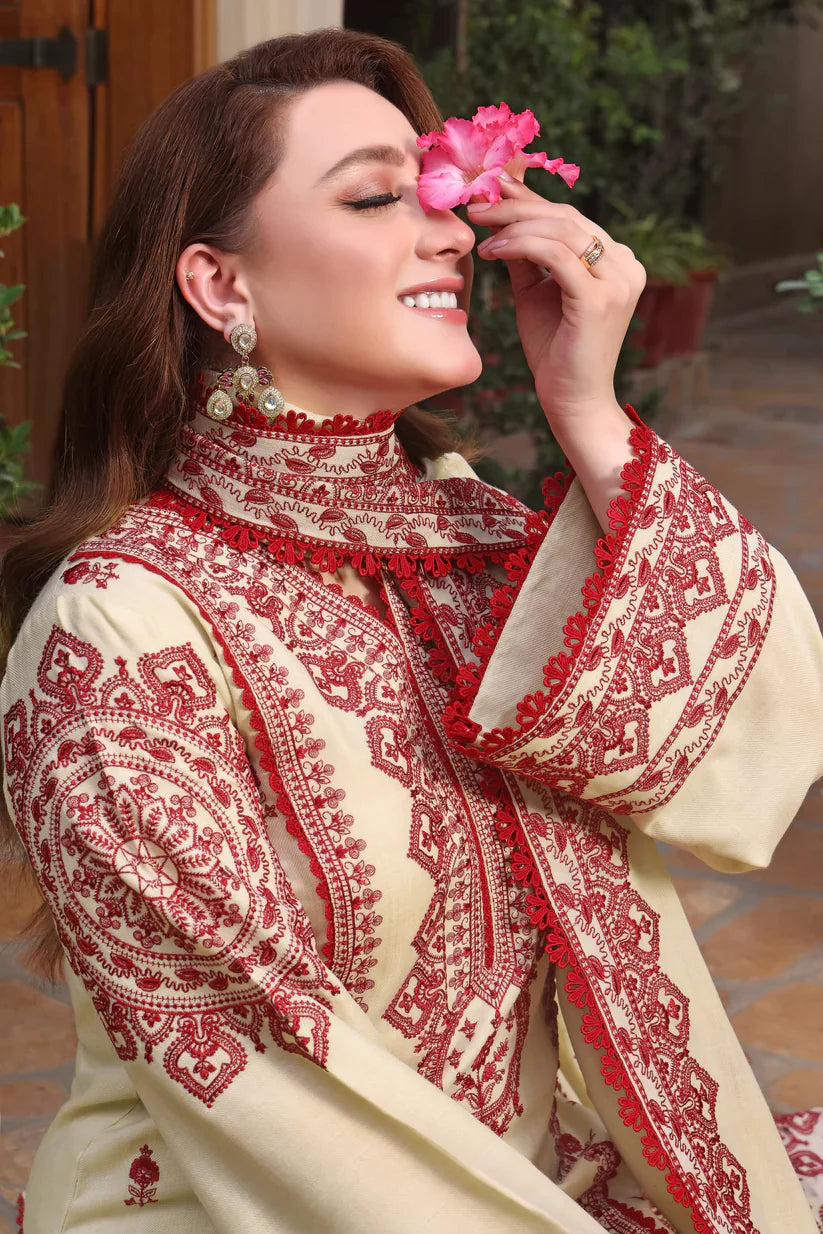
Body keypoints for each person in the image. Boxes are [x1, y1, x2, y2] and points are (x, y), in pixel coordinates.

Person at [1, 26, 821, 1234]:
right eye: (376, 196)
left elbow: (754, 744)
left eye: (437, 190)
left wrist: (588, 410)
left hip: (523, 1182)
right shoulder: (117, 624)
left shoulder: (463, 529)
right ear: (220, 286)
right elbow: (269, 1077)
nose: (450, 233)